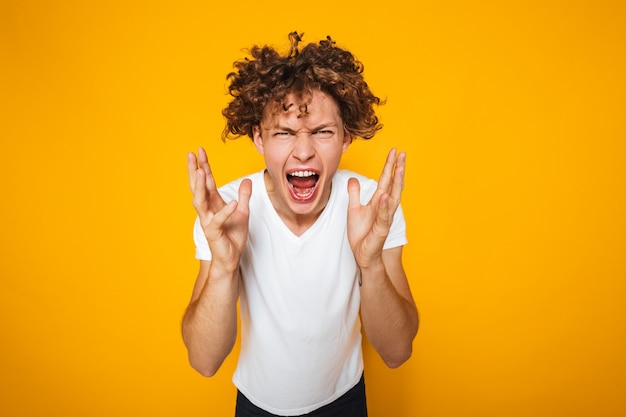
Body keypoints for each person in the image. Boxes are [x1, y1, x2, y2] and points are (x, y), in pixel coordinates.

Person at [182, 32, 419, 417]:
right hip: (256, 405)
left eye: (323, 131)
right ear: (258, 137)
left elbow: (397, 352)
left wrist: (371, 262)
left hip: (344, 400)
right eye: (285, 133)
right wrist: (225, 267)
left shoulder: (374, 205)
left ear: (345, 138)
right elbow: (204, 361)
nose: (304, 150)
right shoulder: (225, 210)